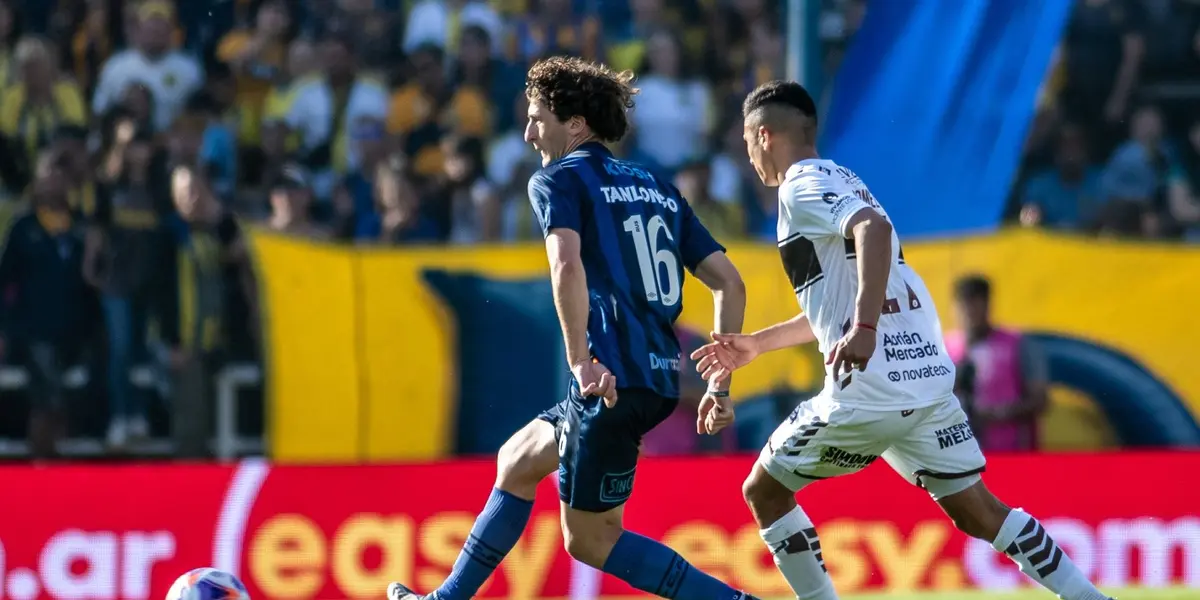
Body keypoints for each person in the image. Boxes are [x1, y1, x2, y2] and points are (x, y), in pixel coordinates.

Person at [689, 80, 1114, 600]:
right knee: (980, 511)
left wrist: (864, 329)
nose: (749, 156)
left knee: (765, 491)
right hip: (928, 384)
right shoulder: (845, 180)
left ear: (763, 134)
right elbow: (837, 302)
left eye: (747, 142)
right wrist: (758, 343)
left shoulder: (800, 185)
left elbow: (871, 231)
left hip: (870, 387)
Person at [388, 56, 751, 600]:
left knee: (591, 541)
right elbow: (730, 283)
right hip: (651, 376)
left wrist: (581, 360)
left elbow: (566, 265)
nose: (529, 131)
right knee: (516, 460)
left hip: (608, 380)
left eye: (537, 117)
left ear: (575, 124)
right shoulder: (657, 186)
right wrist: (719, 385)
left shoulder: (558, 178)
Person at [946, 275, 1050, 452]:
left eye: (975, 303)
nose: (969, 311)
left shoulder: (1017, 344)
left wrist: (996, 414)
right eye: (964, 304)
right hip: (959, 457)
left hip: (1011, 455)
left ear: (987, 304)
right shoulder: (943, 348)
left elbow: (1040, 400)